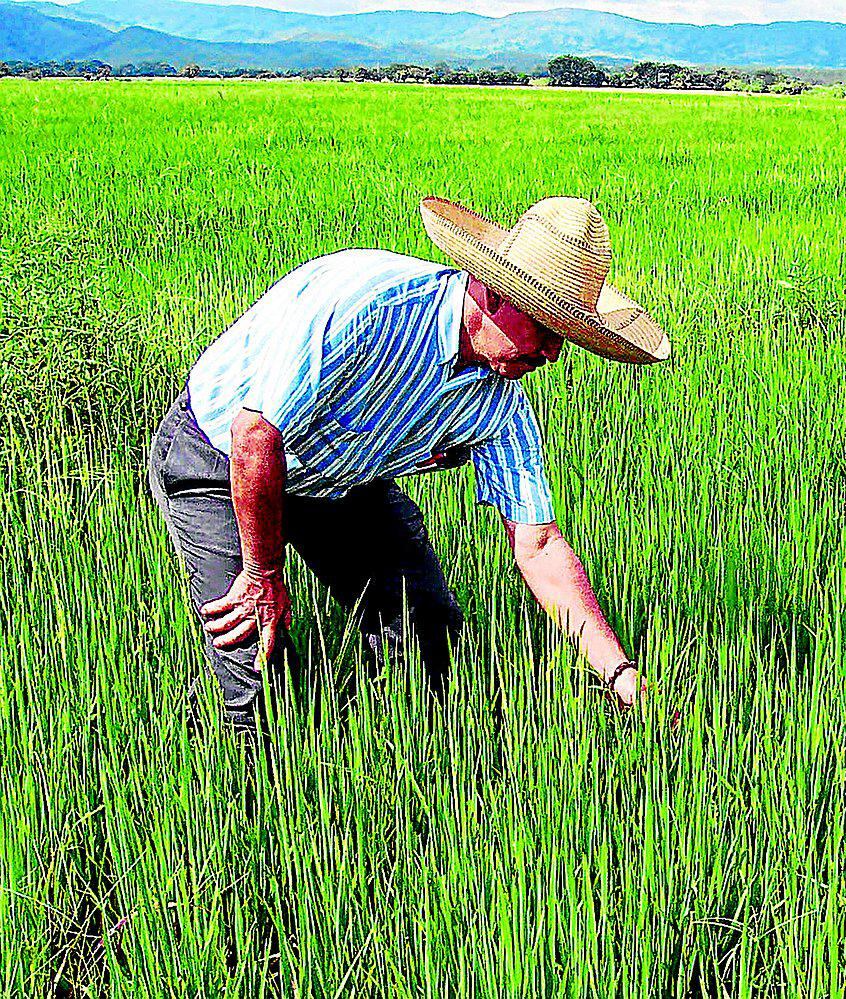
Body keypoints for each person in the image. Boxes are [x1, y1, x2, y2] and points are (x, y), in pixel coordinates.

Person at [147, 195, 671, 735]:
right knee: (253, 663)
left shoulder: (500, 402)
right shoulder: (367, 307)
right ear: (492, 294)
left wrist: (618, 672)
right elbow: (254, 438)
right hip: (222, 459)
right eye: (545, 328)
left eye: (565, 337)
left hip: (340, 477)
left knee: (427, 634)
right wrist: (262, 574)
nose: (553, 354)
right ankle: (246, 796)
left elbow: (539, 545)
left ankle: (415, 766)